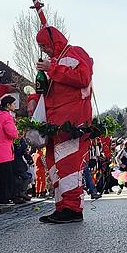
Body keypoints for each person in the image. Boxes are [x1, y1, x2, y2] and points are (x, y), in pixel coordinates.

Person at [35, 25, 94, 223]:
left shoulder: (75, 53)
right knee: (55, 165)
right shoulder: (54, 61)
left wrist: (52, 69)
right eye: (40, 46)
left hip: (72, 122)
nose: (43, 49)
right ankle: (62, 206)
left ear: (54, 41)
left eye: (44, 45)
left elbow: (83, 78)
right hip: (54, 124)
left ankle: (73, 209)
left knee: (69, 164)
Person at [0, 96, 20, 205]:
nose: (14, 106)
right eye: (13, 104)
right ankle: (4, 199)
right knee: (6, 176)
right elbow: (12, 132)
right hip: (4, 151)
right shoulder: (6, 116)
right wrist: (17, 133)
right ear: (8, 105)